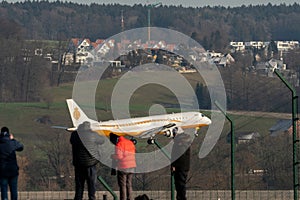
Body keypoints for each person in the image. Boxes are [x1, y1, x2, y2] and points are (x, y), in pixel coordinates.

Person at [70, 121, 105, 200]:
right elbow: (102, 141)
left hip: (78, 163)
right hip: (91, 163)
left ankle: (78, 198)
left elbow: (71, 141)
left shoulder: (75, 135)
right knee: (91, 184)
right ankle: (92, 198)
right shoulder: (93, 135)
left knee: (79, 185)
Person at [110, 133, 136, 200]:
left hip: (123, 166)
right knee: (129, 184)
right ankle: (130, 198)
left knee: (122, 185)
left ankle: (123, 198)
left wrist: (112, 156)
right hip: (132, 165)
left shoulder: (119, 144)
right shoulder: (130, 142)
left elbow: (119, 156)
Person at [0, 126, 24, 200]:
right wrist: (13, 139)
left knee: (4, 190)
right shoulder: (12, 143)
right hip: (13, 171)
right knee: (13, 189)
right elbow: (21, 147)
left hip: (2, 171)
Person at [171, 132, 192, 200]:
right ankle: (180, 197)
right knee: (181, 183)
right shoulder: (184, 143)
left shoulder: (180, 144)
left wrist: (174, 165)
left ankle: (181, 197)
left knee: (180, 184)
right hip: (183, 166)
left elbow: (179, 155)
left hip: (180, 166)